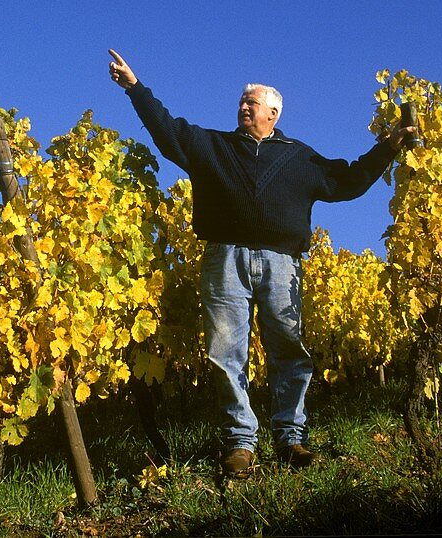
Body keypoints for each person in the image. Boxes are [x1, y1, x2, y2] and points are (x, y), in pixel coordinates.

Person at [107, 49, 413, 476]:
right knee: (225, 353)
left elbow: (348, 180)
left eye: (251, 103)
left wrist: (388, 148)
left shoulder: (299, 157)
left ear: (273, 112)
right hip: (224, 259)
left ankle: (290, 438)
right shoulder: (211, 146)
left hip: (282, 264)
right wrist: (135, 89)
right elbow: (167, 130)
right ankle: (240, 443)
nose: (243, 107)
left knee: (288, 350)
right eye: (241, 102)